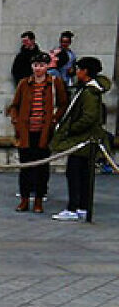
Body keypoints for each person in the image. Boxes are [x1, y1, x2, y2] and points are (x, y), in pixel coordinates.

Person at [50, 56, 110, 222]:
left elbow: (89, 117)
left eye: (79, 69)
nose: (76, 72)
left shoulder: (90, 92)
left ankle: (74, 207)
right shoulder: (86, 89)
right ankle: (83, 206)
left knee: (75, 174)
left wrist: (70, 129)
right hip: (85, 139)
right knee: (83, 175)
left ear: (86, 71)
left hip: (83, 140)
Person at [7, 55, 65, 213]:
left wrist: (54, 119)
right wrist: (16, 120)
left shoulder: (54, 82)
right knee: (25, 167)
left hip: (44, 132)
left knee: (42, 168)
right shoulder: (24, 83)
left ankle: (39, 200)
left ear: (47, 66)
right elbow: (14, 105)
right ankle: (24, 199)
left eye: (41, 65)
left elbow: (63, 104)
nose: (38, 68)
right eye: (35, 65)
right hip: (26, 132)